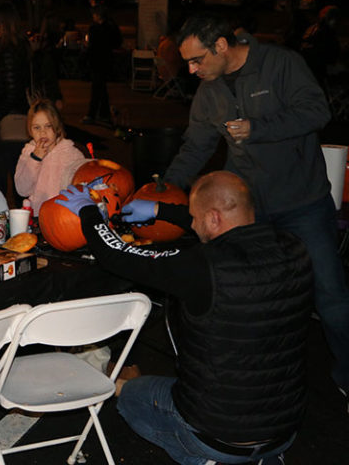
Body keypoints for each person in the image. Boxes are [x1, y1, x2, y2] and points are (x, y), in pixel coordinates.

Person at [57, 171, 313, 465]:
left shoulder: (202, 268)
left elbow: (118, 254)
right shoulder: (295, 247)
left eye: (194, 217)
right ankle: (263, 457)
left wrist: (88, 212)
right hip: (283, 427)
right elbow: (224, 217)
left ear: (214, 218)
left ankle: (205, 459)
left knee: (129, 397)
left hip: (218, 436)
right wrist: (158, 210)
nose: (191, 224)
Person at [164, 13, 349, 410]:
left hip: (302, 203)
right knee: (241, 294)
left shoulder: (281, 64)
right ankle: (244, 382)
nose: (192, 70)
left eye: (197, 60)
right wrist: (164, 188)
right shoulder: (209, 90)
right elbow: (196, 145)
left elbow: (317, 112)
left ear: (222, 46)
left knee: (330, 295)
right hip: (245, 211)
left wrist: (258, 127)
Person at [0, 1, 31, 201]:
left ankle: (8, 225)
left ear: (4, 23)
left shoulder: (9, 52)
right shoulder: (11, 48)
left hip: (12, 122)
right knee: (16, 178)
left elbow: (12, 92)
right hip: (14, 118)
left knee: (7, 178)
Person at [14, 99, 86, 216]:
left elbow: (82, 187)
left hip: (64, 216)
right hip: (38, 215)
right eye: (37, 128)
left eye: (48, 126)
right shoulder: (28, 154)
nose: (43, 133)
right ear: (30, 131)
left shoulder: (71, 155)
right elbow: (22, 189)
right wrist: (35, 159)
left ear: (57, 127)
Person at [82, 5, 121, 125]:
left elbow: (92, 46)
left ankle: (92, 114)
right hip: (106, 60)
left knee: (97, 88)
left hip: (97, 61)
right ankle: (104, 113)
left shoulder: (95, 28)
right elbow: (117, 42)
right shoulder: (111, 27)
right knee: (101, 87)